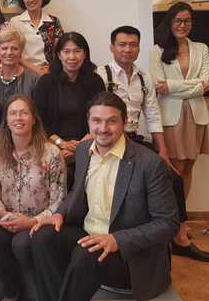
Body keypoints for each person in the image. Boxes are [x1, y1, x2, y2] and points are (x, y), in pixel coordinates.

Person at [30, 92, 179, 301]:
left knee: (85, 254)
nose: (103, 128)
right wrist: (60, 214)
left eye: (111, 121)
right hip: (89, 233)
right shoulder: (84, 150)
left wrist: (117, 239)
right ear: (88, 122)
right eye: (96, 121)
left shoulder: (150, 164)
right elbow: (77, 191)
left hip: (129, 253)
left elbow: (168, 223)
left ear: (125, 122)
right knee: (43, 237)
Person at [98, 25, 209, 262]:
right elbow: (95, 115)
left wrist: (162, 150)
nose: (128, 49)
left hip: (134, 141)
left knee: (174, 178)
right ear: (112, 48)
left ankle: (179, 238)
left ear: (138, 48)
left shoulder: (143, 77)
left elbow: (152, 114)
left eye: (133, 45)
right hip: (108, 143)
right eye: (122, 45)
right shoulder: (101, 75)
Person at [0, 95, 66, 301]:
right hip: (8, 218)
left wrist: (31, 222)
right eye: (13, 113)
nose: (18, 118)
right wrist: (4, 215)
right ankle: (12, 290)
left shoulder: (51, 153)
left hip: (40, 222)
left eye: (24, 113)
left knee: (21, 244)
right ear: (6, 120)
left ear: (34, 119)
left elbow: (59, 200)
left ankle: (35, 292)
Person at [150, 2, 209, 200]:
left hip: (195, 116)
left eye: (187, 21)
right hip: (170, 117)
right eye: (178, 21)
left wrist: (172, 86)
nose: (182, 25)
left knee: (188, 167)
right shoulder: (157, 51)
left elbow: (207, 83)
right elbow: (159, 86)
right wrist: (196, 86)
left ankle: (181, 213)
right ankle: (171, 214)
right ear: (170, 22)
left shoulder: (201, 49)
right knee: (174, 169)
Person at [33, 32, 105, 161]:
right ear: (59, 55)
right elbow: (38, 120)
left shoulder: (95, 81)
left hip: (90, 144)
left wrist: (81, 146)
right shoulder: (46, 82)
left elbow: (101, 117)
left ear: (85, 54)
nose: (72, 57)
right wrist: (61, 144)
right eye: (66, 52)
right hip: (52, 145)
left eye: (77, 51)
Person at [0, 27, 39, 130]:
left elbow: (37, 116)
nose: (9, 52)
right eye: (4, 48)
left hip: (27, 134)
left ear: (21, 52)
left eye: (14, 48)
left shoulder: (34, 80)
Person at [9, 0, 63, 76]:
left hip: (50, 72)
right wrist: (36, 69)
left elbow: (61, 50)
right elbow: (12, 52)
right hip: (23, 73)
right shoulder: (15, 22)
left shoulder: (53, 22)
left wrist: (50, 68)